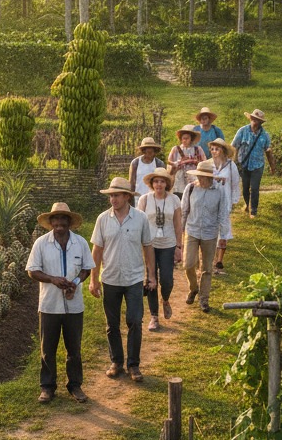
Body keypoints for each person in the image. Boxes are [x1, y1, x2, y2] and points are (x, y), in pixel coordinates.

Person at [89, 177, 156, 382]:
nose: (113, 199)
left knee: (135, 320)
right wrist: (94, 279)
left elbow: (148, 247)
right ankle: (116, 361)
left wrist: (151, 276)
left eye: (116, 195)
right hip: (110, 278)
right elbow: (97, 250)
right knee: (112, 323)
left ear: (127, 196)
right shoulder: (103, 219)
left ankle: (133, 365)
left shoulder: (140, 218)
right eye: (110, 195)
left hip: (134, 278)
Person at [26, 202, 93, 404]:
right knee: (48, 348)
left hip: (74, 306)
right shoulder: (41, 243)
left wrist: (75, 282)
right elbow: (32, 270)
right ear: (51, 222)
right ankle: (47, 387)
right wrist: (52, 279)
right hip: (49, 305)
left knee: (74, 348)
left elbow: (86, 268)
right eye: (56, 219)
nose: (60, 223)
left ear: (69, 222)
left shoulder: (80, 243)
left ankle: (75, 385)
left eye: (64, 219)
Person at [136, 169, 183, 332]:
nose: (159, 184)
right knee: (150, 280)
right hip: (149, 245)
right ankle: (154, 316)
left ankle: (166, 299)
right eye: (156, 181)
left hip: (168, 244)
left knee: (167, 279)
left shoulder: (174, 199)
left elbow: (178, 224)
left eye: (162, 181)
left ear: (167, 184)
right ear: (152, 184)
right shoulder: (144, 200)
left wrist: (179, 246)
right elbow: (139, 223)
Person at [181, 162, 230, 313]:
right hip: (192, 230)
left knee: (207, 268)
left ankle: (204, 299)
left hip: (210, 233)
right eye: (199, 176)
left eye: (204, 177)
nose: (201, 179)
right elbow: (184, 211)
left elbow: (223, 213)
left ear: (210, 178)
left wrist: (224, 235)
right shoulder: (190, 188)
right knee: (188, 264)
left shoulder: (219, 191)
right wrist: (180, 232)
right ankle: (193, 288)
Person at [231, 108, 276, 218]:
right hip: (244, 164)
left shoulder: (265, 135)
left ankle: (253, 211)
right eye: (253, 119)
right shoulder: (242, 131)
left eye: (257, 120)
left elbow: (268, 151)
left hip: (258, 165)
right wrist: (234, 161)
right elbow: (234, 146)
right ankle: (247, 204)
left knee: (255, 187)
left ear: (261, 122)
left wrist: (272, 166)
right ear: (250, 119)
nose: (255, 121)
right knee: (245, 188)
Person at [206, 137, 240, 274]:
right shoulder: (208, 165)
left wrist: (233, 201)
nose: (214, 151)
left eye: (217, 149)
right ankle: (210, 260)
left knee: (224, 230)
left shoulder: (231, 166)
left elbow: (235, 184)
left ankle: (219, 261)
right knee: (211, 230)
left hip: (224, 201)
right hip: (210, 201)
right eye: (213, 149)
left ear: (223, 150)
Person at [168, 125, 206, 196]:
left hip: (193, 178)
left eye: (187, 138)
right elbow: (169, 163)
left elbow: (204, 163)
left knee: (192, 196)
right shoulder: (176, 149)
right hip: (179, 179)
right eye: (183, 138)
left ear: (191, 138)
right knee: (179, 196)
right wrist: (175, 165)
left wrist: (196, 162)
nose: (185, 140)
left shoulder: (198, 149)